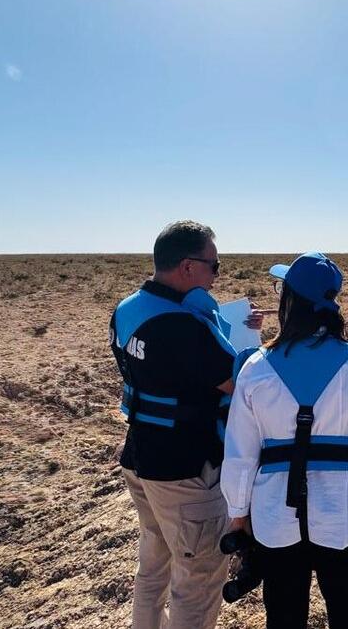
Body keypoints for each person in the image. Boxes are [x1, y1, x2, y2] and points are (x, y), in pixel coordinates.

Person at [221, 252, 348, 629]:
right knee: (347, 611)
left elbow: (240, 455)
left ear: (288, 300)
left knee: (284, 616)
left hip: (274, 516)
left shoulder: (255, 367)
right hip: (343, 511)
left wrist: (238, 517)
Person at [110, 220, 266, 629]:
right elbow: (240, 383)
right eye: (214, 265)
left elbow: (166, 371)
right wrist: (253, 344)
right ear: (187, 267)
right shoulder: (183, 325)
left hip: (140, 455)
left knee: (154, 563)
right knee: (197, 580)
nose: (216, 275)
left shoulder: (127, 309)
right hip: (184, 471)